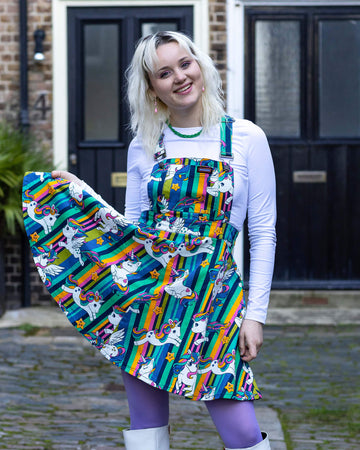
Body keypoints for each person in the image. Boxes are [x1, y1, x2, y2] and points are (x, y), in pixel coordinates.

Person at [23, 31, 276, 450]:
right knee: (146, 427)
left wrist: (256, 314)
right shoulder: (144, 146)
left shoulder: (246, 138)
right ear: (152, 88)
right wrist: (82, 196)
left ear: (200, 66)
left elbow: (263, 231)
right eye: (164, 72)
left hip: (215, 300)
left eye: (185, 63)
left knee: (243, 433)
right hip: (149, 296)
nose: (179, 77)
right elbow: (133, 229)